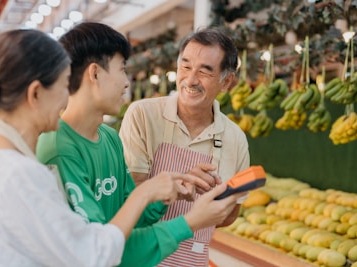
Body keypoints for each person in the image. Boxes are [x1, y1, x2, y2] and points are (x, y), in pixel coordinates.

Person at [0, 29, 228, 267]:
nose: (68, 94)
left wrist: (159, 192)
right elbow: (93, 254)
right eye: (64, 84)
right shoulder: (23, 173)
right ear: (36, 94)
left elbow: (118, 223)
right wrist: (185, 219)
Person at [36, 22, 245, 267]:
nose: (127, 82)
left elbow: (130, 219)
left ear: (226, 81)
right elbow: (98, 250)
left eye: (205, 71)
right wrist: (188, 222)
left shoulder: (109, 139)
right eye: (122, 69)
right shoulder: (58, 151)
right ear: (94, 73)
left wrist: (172, 188)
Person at [119, 27, 250, 266]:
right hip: (142, 257)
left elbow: (231, 214)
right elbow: (130, 193)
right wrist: (180, 186)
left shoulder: (236, 138)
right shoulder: (143, 115)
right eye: (186, 66)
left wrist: (217, 202)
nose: (190, 80)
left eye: (204, 72)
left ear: (227, 81)